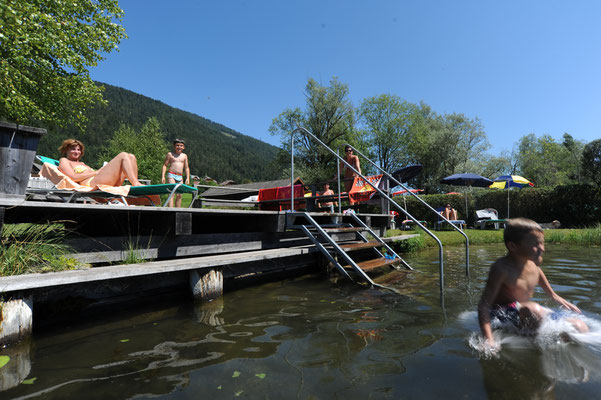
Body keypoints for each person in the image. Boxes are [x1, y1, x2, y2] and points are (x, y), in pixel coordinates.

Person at [478, 218, 588, 349]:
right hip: (500, 315)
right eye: (535, 244)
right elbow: (483, 307)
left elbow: (552, 294)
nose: (542, 248)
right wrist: (488, 339)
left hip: (524, 312)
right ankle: (535, 348)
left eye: (542, 243)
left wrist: (557, 298)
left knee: (579, 326)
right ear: (512, 246)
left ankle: (559, 347)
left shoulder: (535, 267)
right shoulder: (501, 268)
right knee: (532, 309)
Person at [57, 139, 142, 187]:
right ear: (66, 150)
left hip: (99, 179)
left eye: (78, 150)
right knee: (123, 155)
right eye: (73, 149)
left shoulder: (82, 164)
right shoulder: (64, 161)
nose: (77, 152)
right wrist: (96, 172)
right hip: (91, 184)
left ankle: (135, 183)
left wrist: (99, 171)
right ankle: (135, 184)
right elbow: (73, 177)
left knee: (131, 156)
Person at [161, 138, 190, 207]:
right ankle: (170, 209)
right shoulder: (170, 154)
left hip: (180, 176)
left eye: (181, 145)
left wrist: (188, 178)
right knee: (172, 193)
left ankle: (177, 210)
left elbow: (186, 167)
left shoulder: (184, 156)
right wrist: (163, 176)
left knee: (179, 194)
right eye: (177, 145)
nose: (179, 147)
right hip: (171, 174)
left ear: (183, 147)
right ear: (174, 146)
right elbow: (165, 165)